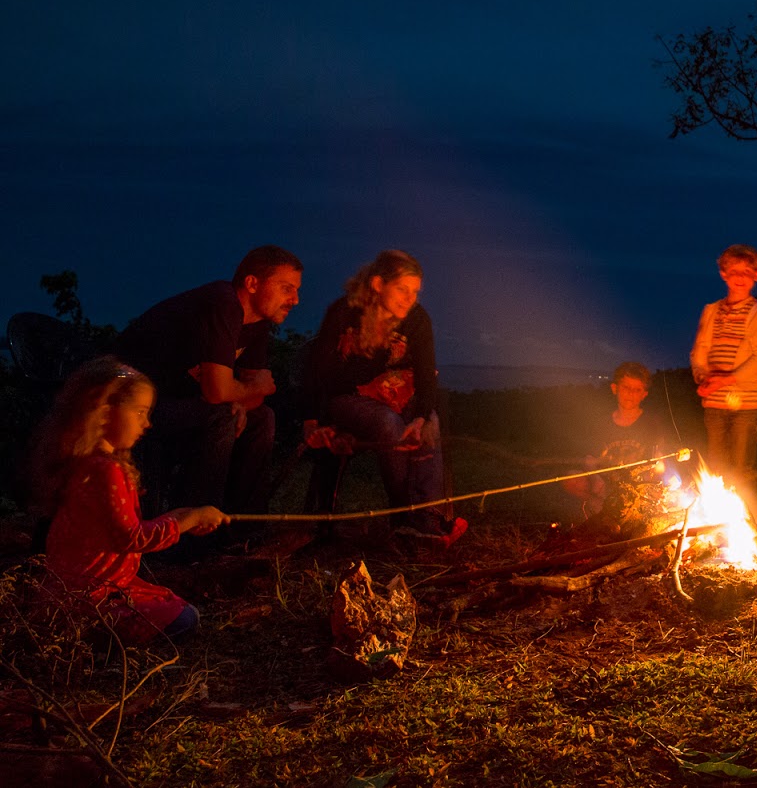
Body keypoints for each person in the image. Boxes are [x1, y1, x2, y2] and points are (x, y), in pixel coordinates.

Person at [32, 358, 228, 642]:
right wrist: (188, 520)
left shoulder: (84, 462)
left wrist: (185, 515)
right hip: (92, 594)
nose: (147, 423)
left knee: (174, 605)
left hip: (72, 588)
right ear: (104, 412)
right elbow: (132, 538)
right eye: (139, 412)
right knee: (185, 618)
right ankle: (92, 633)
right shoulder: (105, 470)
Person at [114, 245, 302, 524]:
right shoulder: (223, 302)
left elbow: (246, 396)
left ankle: (243, 527)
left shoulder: (258, 324)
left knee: (262, 418)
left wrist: (238, 398)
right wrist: (248, 391)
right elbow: (219, 391)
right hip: (129, 403)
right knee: (221, 415)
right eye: (287, 288)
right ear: (252, 283)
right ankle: (193, 529)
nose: (295, 300)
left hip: (179, 403)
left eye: (296, 291)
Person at [303, 250, 464, 544]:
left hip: (398, 395)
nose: (409, 298)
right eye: (402, 289)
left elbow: (426, 374)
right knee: (388, 424)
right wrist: (313, 420)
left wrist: (421, 418)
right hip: (347, 399)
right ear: (378, 284)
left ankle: (427, 517)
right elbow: (317, 371)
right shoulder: (345, 312)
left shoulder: (417, 319)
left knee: (429, 423)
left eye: (415, 291)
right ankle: (404, 516)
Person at [690, 245, 757, 484]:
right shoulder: (711, 311)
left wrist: (726, 380)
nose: (740, 277)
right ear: (723, 273)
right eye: (734, 271)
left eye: (747, 272)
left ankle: (743, 507)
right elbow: (700, 350)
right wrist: (702, 377)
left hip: (746, 405)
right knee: (715, 469)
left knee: (740, 470)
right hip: (715, 403)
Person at [560, 362, 673, 518]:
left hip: (637, 485)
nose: (631, 393)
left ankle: (634, 511)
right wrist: (596, 477)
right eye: (626, 387)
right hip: (607, 483)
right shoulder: (602, 423)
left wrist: (651, 481)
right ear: (615, 388)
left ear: (644, 394)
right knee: (571, 479)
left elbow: (659, 461)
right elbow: (590, 459)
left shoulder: (652, 423)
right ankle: (598, 506)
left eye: (637, 390)